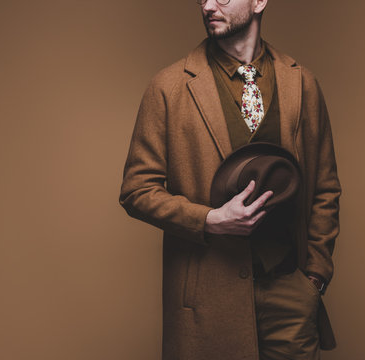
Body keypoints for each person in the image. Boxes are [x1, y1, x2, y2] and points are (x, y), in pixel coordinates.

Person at [119, 0, 341, 359]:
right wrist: (211, 220)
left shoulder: (301, 82)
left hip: (290, 293)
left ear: (258, 2)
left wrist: (314, 276)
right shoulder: (168, 87)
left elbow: (325, 187)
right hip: (208, 299)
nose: (208, 5)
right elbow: (136, 189)